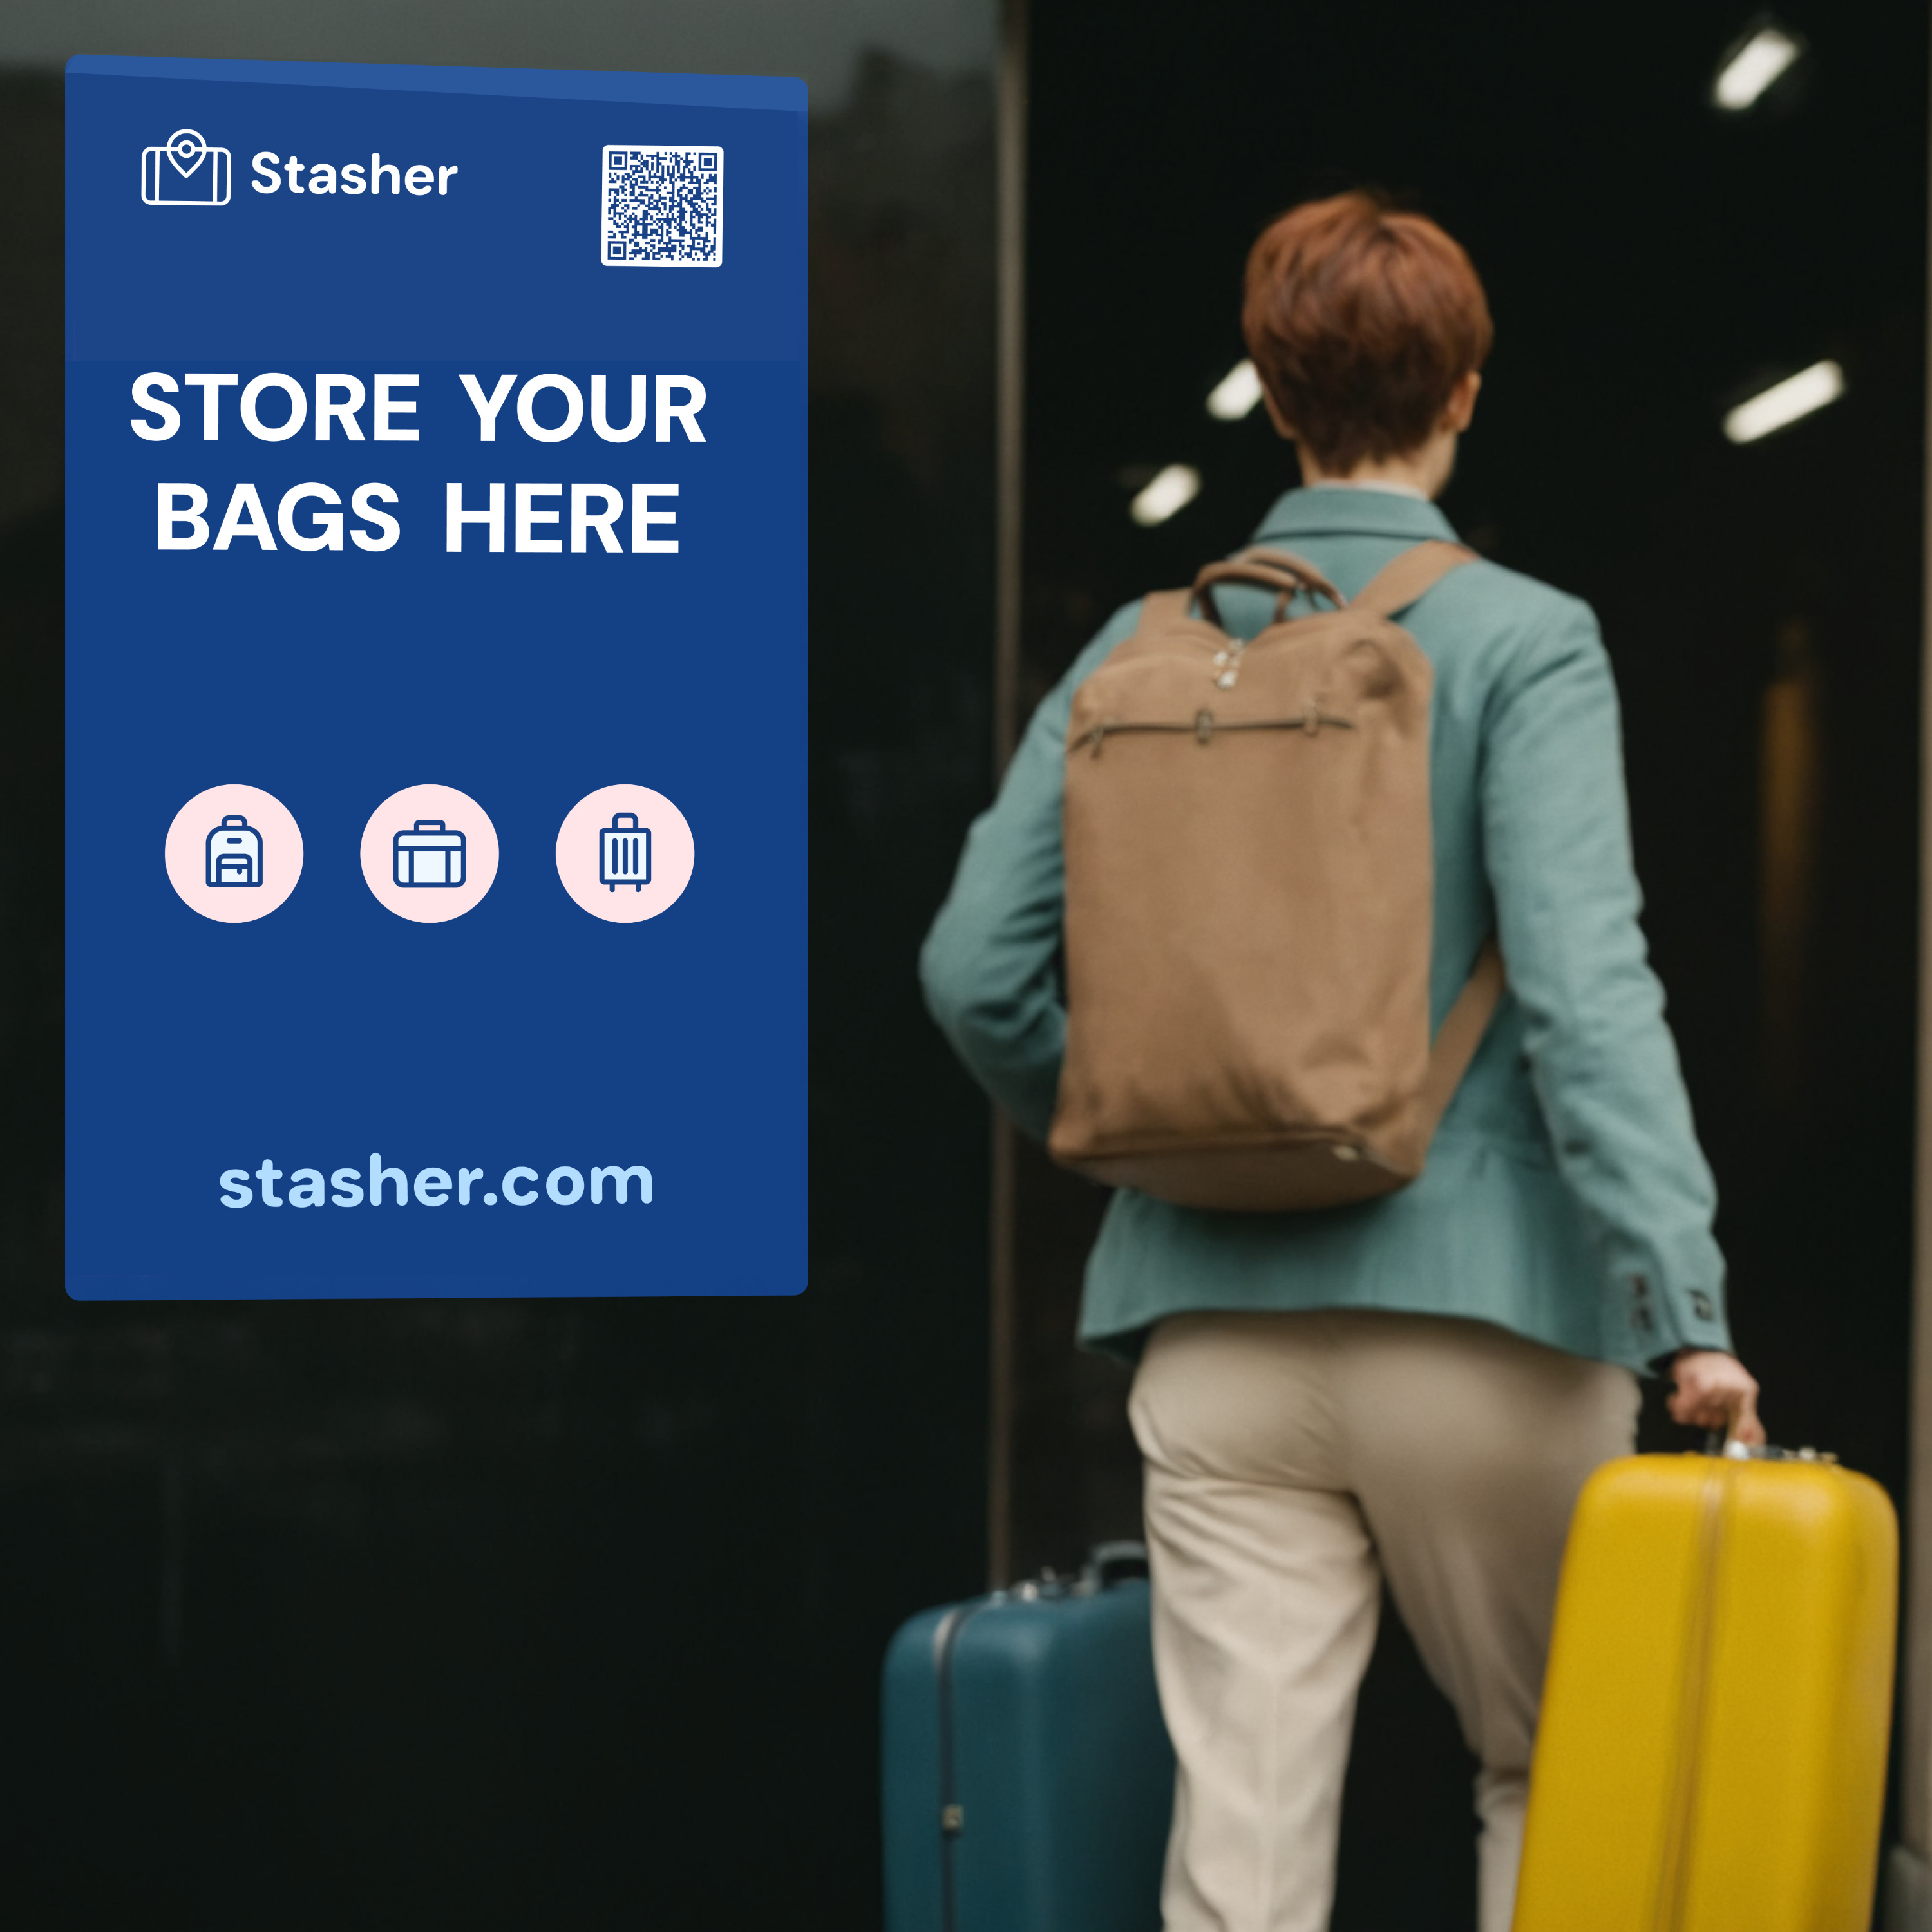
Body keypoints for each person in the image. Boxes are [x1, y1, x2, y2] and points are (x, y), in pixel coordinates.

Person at [919, 191, 1764, 1932]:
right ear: (1464, 393)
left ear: (1270, 390)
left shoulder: (1139, 650)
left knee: (1241, 1844)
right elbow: (1593, 996)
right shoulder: (1528, 639)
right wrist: (1685, 1313)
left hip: (1214, 1343)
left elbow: (970, 973)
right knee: (1548, 1773)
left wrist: (1138, 1141)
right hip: (1489, 1325)